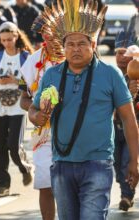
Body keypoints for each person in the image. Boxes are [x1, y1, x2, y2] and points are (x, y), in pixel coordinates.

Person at [29, 1, 139, 219]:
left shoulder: (110, 74)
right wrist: (38, 116)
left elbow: (128, 119)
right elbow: (32, 110)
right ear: (63, 46)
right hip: (61, 164)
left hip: (98, 163)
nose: (76, 49)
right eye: (70, 44)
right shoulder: (52, 75)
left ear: (93, 45)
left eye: (82, 44)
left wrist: (134, 161)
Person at [19, 13, 65, 220]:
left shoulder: (79, 55)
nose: (52, 36)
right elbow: (24, 100)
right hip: (44, 132)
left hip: (76, 129)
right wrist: (37, 112)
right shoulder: (32, 62)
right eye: (48, 32)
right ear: (43, 34)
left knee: (71, 186)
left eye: (57, 31)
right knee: (46, 184)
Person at [0, 22, 34, 197]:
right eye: (3, 40)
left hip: (19, 107)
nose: (7, 43)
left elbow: (33, 83)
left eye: (10, 39)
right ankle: (2, 183)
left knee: (14, 145)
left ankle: (25, 167)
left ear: (17, 36)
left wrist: (15, 80)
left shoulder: (26, 57)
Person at [113, 29, 139, 211]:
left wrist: (133, 94)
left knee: (127, 162)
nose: (122, 57)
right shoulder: (113, 77)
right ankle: (126, 190)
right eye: (118, 53)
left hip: (133, 130)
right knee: (116, 163)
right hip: (115, 129)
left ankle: (126, 196)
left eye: (126, 53)